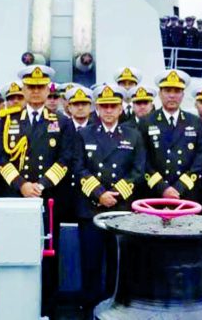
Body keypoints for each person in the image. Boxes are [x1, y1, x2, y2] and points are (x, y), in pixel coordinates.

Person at [0, 65, 75, 316]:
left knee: (48, 256)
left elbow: (66, 158)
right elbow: (0, 157)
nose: (36, 92)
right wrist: (22, 185)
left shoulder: (61, 122)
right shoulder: (7, 121)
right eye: (31, 87)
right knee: (14, 252)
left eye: (41, 87)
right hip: (14, 200)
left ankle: (48, 308)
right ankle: (15, 308)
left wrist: (42, 185)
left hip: (47, 199)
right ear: (24, 89)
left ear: (48, 89)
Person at [73, 83, 146, 313]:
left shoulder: (133, 135)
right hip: (91, 210)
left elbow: (138, 170)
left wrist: (116, 195)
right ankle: (90, 309)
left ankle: (116, 309)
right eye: (104, 106)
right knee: (91, 264)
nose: (108, 111)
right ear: (97, 108)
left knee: (118, 264)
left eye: (113, 106)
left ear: (121, 107)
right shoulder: (84, 134)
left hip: (120, 209)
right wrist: (100, 194)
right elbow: (79, 168)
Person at [142, 70, 202, 203]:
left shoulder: (195, 122)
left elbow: (201, 157)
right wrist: (162, 187)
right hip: (155, 193)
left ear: (183, 95)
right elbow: (142, 159)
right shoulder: (147, 122)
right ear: (160, 94)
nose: (172, 95)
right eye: (167, 91)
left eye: (177, 91)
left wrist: (179, 187)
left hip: (186, 193)